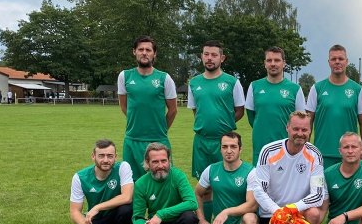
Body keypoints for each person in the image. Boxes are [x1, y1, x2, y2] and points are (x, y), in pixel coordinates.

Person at [252, 111, 325, 224]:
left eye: (304, 130)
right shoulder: (268, 151)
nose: (300, 133)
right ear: (287, 128)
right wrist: (279, 212)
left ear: (310, 130)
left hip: (298, 212)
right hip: (273, 212)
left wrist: (291, 209)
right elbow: (259, 190)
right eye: (296, 129)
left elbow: (318, 194)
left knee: (314, 214)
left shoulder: (315, 154)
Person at [118, 143, 198, 224]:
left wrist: (161, 214)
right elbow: (137, 216)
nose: (160, 165)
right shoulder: (141, 183)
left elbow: (192, 203)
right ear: (147, 163)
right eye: (155, 162)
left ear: (169, 161)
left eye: (164, 161)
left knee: (189, 217)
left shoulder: (178, 176)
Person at [194, 132, 262, 224]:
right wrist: (202, 221)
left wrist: (226, 212)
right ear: (220, 149)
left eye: (233, 146)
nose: (229, 150)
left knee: (250, 218)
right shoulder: (211, 170)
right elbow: (197, 194)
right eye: (224, 147)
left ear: (240, 149)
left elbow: (252, 205)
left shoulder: (251, 172)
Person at [66, 140, 134, 224]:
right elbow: (75, 212)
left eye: (110, 156)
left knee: (126, 209)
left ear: (115, 157)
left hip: (120, 219)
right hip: (97, 220)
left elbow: (127, 197)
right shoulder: (80, 177)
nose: (106, 160)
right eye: (101, 156)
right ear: (93, 156)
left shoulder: (123, 167)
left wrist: (97, 207)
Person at [117, 35, 178, 180]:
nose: (144, 53)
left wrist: (161, 129)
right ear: (134, 52)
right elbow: (124, 106)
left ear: (154, 54)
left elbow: (173, 110)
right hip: (132, 139)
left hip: (158, 140)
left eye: (148, 50)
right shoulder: (124, 76)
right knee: (131, 183)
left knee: (162, 181)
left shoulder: (165, 78)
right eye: (141, 49)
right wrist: (136, 123)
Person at [188, 40, 245, 179]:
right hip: (201, 141)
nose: (209, 58)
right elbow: (196, 111)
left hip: (224, 141)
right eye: (206, 54)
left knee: (224, 180)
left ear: (222, 58)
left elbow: (240, 110)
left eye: (214, 55)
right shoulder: (194, 83)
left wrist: (224, 123)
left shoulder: (232, 82)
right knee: (203, 182)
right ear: (201, 56)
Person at [306, 45, 362, 168]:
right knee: (321, 182)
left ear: (346, 61)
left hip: (349, 154)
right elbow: (308, 122)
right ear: (329, 62)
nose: (337, 62)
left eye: (340, 59)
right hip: (322, 154)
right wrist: (305, 150)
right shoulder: (317, 88)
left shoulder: (357, 89)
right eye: (333, 59)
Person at [245, 46, 305, 165]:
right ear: (265, 63)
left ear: (284, 63)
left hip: (286, 149)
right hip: (260, 148)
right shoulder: (254, 86)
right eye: (269, 60)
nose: (273, 64)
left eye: (277, 60)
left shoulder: (295, 89)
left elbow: (301, 120)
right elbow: (251, 117)